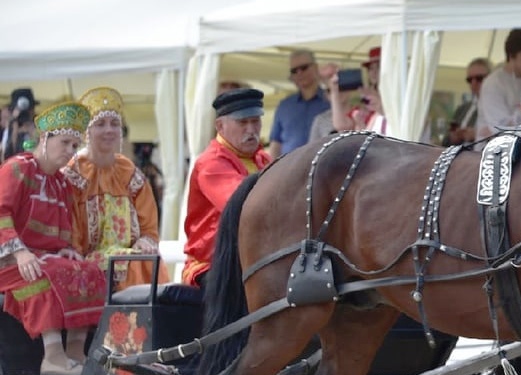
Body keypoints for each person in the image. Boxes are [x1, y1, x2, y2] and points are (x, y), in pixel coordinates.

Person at [0, 101, 106, 375]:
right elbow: (1, 213)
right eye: (65, 143)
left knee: (89, 271)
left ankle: (75, 352)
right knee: (44, 273)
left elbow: (62, 230)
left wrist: (67, 250)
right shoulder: (17, 169)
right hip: (10, 260)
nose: (71, 151)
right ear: (45, 139)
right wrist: (20, 252)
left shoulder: (61, 183)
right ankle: (53, 357)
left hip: (43, 258)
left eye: (75, 145)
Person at [62, 87, 166, 292]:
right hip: (83, 258)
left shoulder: (129, 172)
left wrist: (146, 240)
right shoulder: (72, 175)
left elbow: (149, 227)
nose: (109, 130)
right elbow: (69, 231)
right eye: (100, 124)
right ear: (86, 132)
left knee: (145, 259)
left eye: (115, 124)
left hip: (130, 255)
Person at [182, 88, 271, 288]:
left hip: (253, 259)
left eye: (255, 121)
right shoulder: (210, 163)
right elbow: (244, 205)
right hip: (212, 265)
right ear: (220, 126)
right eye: (242, 122)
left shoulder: (263, 159)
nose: (251, 129)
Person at [269, 50, 330, 158]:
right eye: (294, 71)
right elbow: (276, 143)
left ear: (316, 68)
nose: (299, 73)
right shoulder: (284, 106)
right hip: (289, 170)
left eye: (304, 68)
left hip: (324, 167)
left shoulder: (331, 101)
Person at [330, 47, 388, 136]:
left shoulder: (397, 96)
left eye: (378, 66)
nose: (374, 72)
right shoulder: (365, 99)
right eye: (371, 68)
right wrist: (334, 93)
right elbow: (342, 125)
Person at [448, 57, 492, 145]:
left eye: (479, 78)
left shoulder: (501, 108)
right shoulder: (462, 109)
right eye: (469, 80)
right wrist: (453, 137)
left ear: (492, 78)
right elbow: (446, 139)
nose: (473, 83)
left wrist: (477, 135)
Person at [2, 87, 39, 161]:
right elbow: (6, 157)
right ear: (13, 111)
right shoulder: (10, 128)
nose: (24, 115)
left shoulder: (41, 126)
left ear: (33, 110)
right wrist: (14, 131)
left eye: (28, 110)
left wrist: (34, 133)